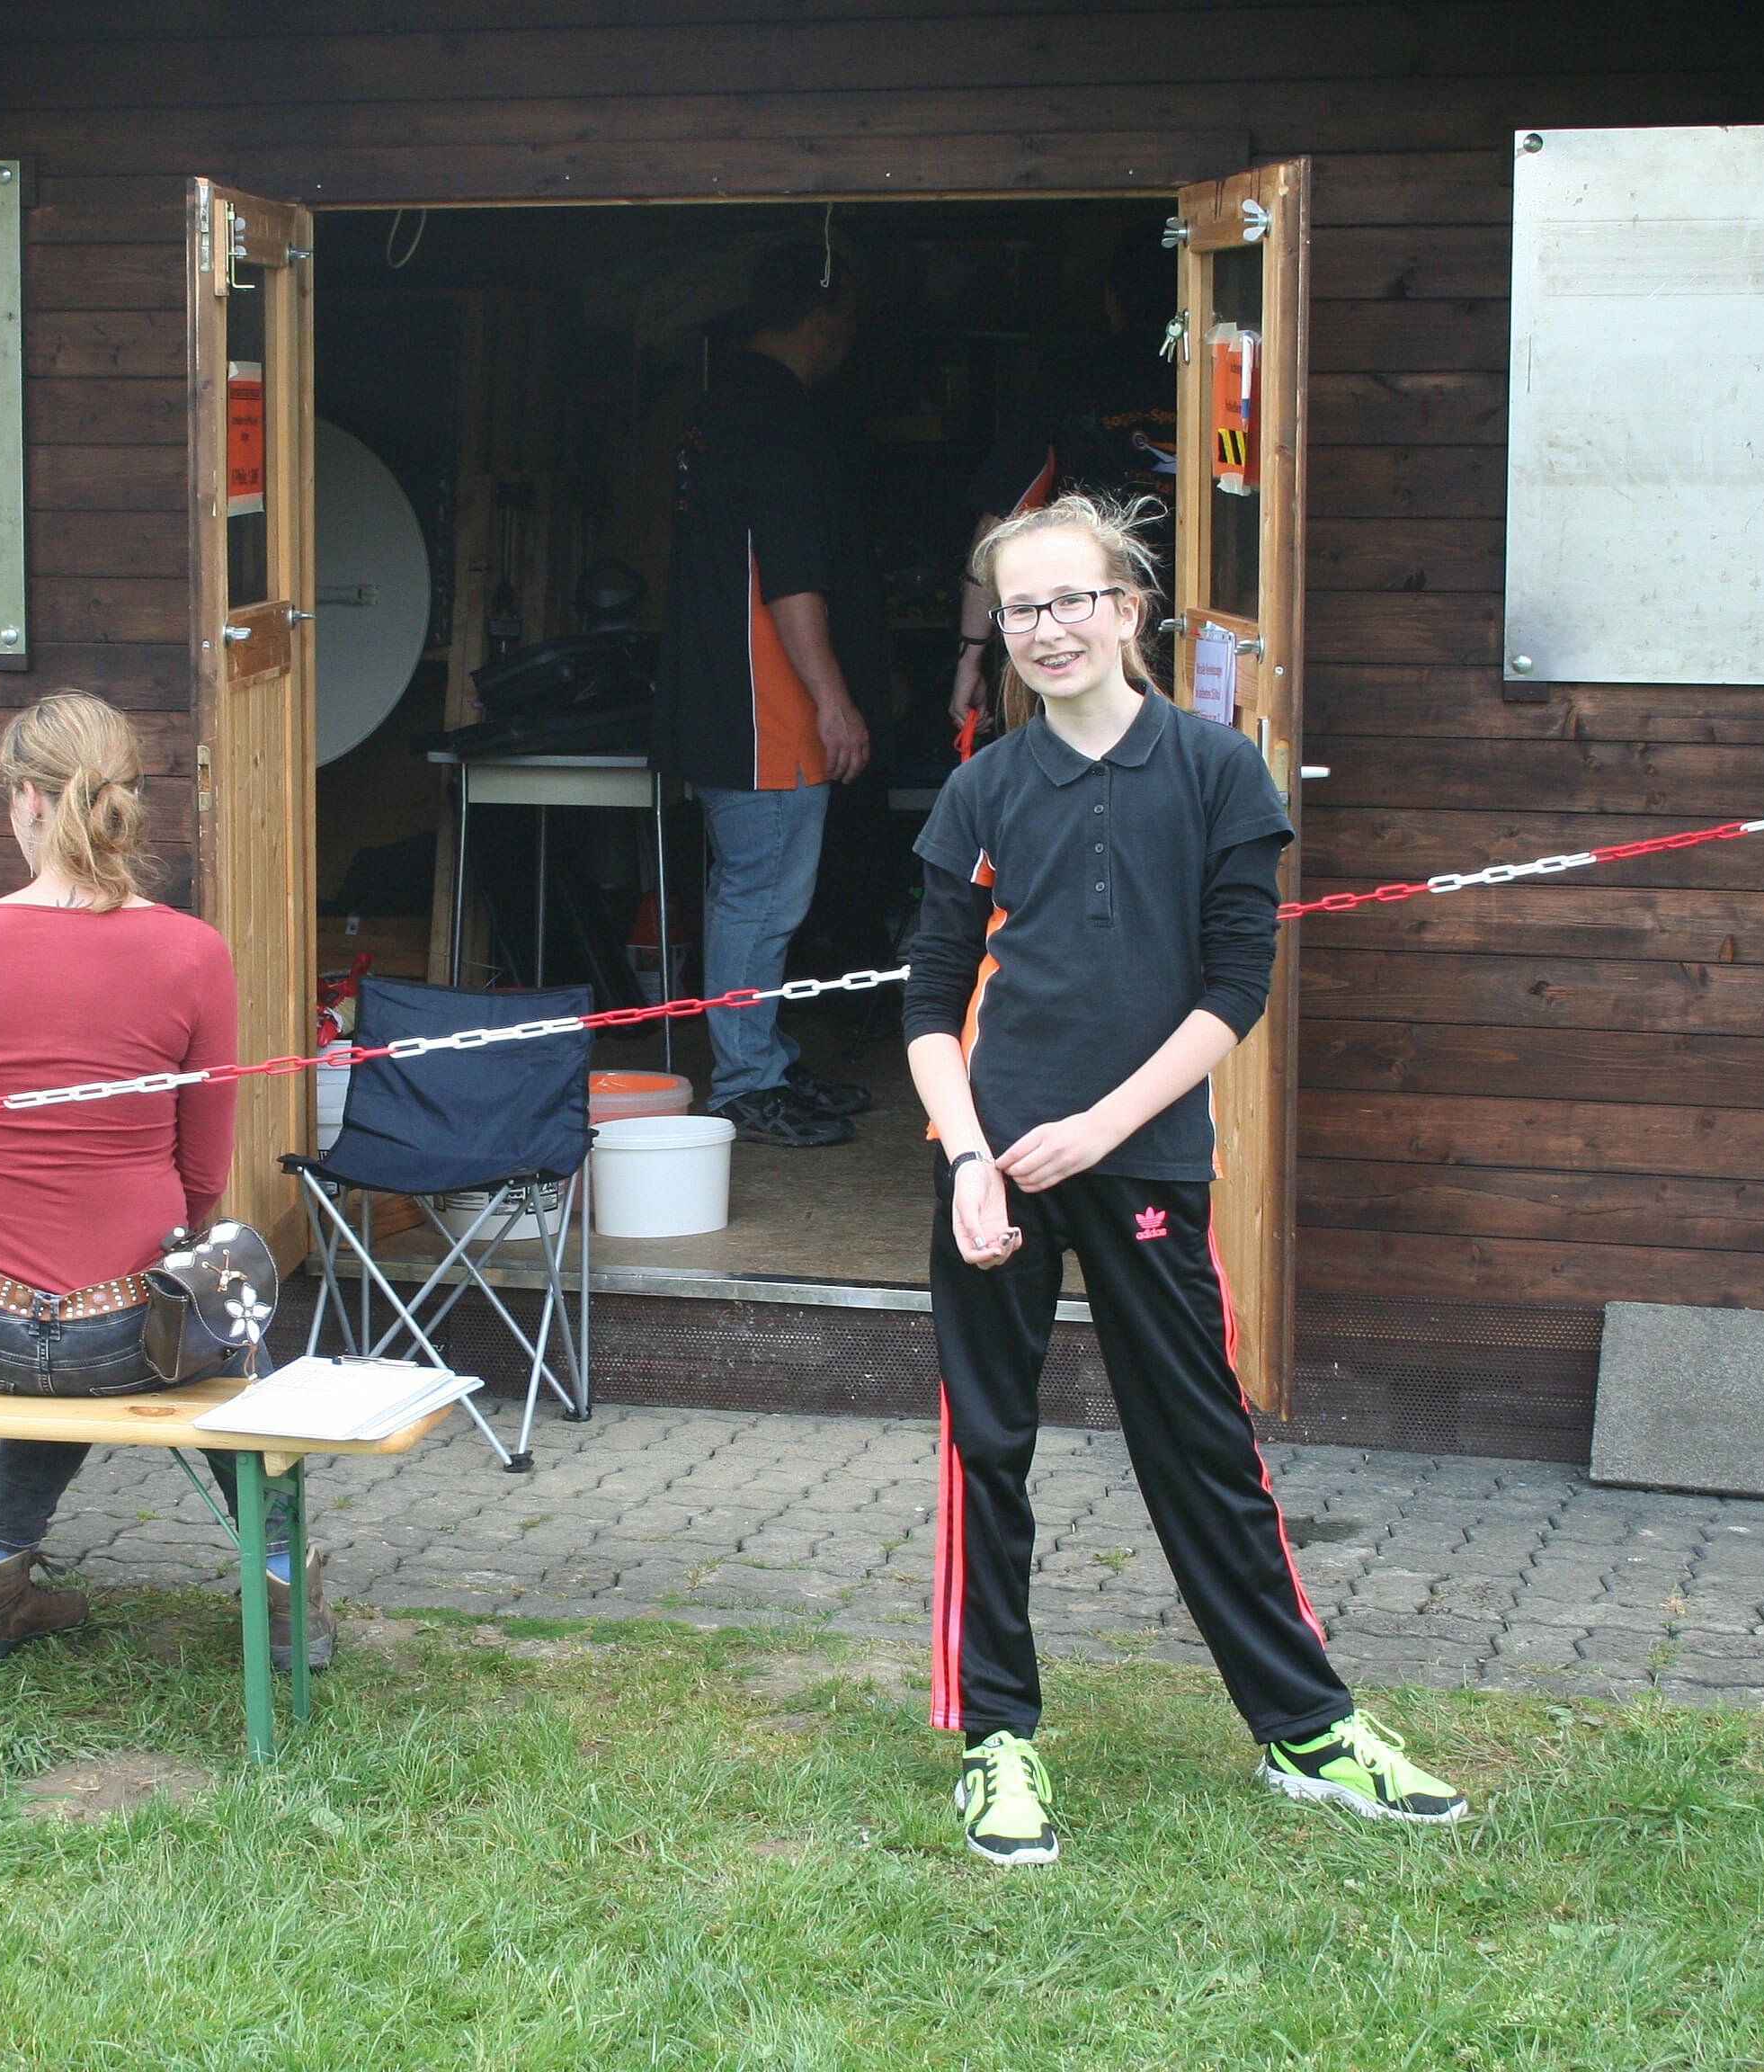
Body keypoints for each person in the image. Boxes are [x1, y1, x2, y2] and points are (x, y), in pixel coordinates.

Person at [903, 494, 1468, 1866]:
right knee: (988, 1452)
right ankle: (997, 1743)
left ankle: (1308, 1732)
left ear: (1127, 609)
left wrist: (1100, 1128)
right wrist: (969, 1156)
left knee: (1203, 1447)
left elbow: (1234, 990)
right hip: (995, 1168)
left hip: (1142, 1156)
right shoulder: (981, 788)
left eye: (1072, 599)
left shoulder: (1218, 773)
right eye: (1022, 608)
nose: (1049, 629)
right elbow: (926, 1003)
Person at [0, 694, 316, 1671]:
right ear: (125, 800)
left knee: (58, 1343)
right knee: (224, 1322)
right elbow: (202, 1177)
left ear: (26, 800)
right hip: (131, 1326)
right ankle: (286, 1590)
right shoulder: (190, 950)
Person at [654, 242, 890, 1149]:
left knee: (748, 893)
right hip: (767, 710)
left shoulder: (720, 404)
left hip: (720, 694)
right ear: (821, 322)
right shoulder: (779, 416)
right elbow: (790, 577)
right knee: (760, 899)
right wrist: (834, 699)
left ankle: (766, 1060)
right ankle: (748, 1081)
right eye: (847, 328)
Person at [948, 221, 1180, 737]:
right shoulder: (1226, 380)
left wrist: (971, 655)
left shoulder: (1072, 383)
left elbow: (999, 527)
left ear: (1111, 298)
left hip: (1077, 633)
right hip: (1206, 633)